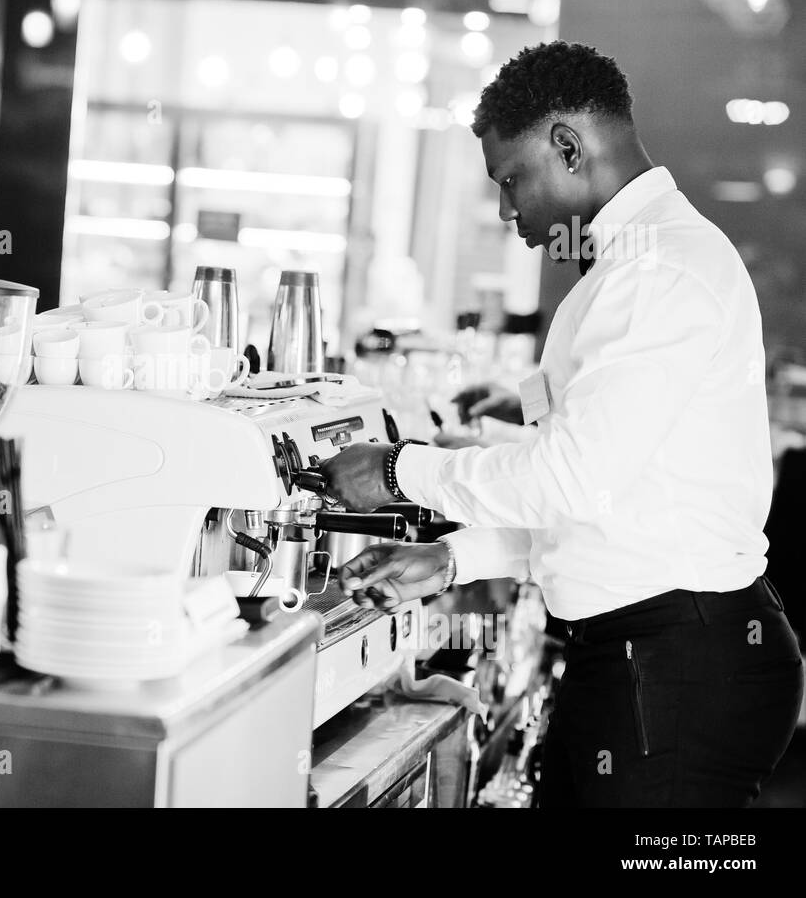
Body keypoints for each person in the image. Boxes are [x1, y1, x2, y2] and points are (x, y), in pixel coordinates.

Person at [320, 41, 803, 807]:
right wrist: (453, 559)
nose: (508, 210)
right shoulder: (627, 266)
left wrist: (395, 469)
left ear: (569, 146)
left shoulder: (657, 270)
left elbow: (571, 476)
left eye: (512, 179)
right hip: (658, 657)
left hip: (673, 668)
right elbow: (602, 503)